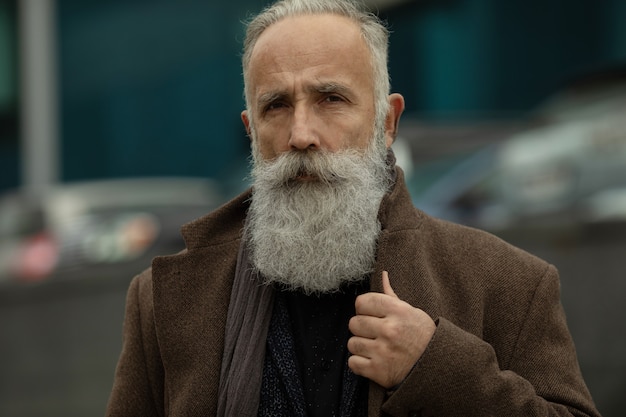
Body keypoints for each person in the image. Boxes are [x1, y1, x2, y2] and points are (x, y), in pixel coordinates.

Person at [105, 0, 601, 416]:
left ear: (387, 122)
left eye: (331, 99)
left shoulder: (507, 283)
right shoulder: (164, 299)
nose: (300, 135)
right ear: (252, 129)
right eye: (276, 105)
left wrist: (435, 365)